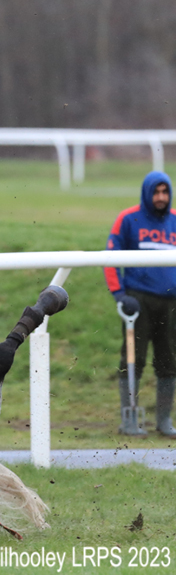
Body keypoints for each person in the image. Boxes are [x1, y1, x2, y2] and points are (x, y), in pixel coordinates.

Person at [105, 170, 176, 437]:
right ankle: (130, 420)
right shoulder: (128, 219)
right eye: (156, 192)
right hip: (138, 301)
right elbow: (110, 257)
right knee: (134, 359)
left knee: (169, 361)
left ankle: (164, 421)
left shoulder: (175, 221)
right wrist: (120, 294)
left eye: (165, 192)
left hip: (170, 303)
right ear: (147, 193)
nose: (161, 197)